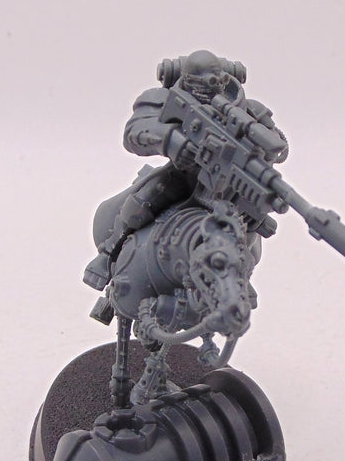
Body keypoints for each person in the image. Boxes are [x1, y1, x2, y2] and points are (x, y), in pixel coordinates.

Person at [83, 50, 288, 291]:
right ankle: (109, 252)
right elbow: (135, 132)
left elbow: (280, 148)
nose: (207, 92)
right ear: (187, 80)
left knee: (250, 224)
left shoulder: (249, 112)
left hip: (231, 184)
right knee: (148, 197)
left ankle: (238, 278)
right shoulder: (166, 99)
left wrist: (261, 151)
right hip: (186, 174)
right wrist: (172, 141)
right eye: (199, 86)